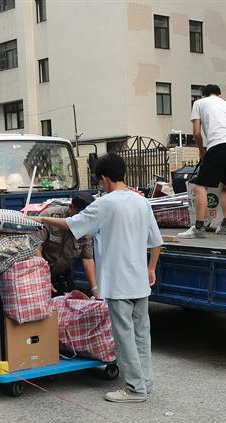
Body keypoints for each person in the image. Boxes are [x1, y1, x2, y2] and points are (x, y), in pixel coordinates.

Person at [36, 153, 163, 403]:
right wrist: (151, 269)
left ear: (104, 178)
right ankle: (145, 382)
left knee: (124, 336)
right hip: (139, 280)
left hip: (118, 282)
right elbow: (156, 241)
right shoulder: (141, 202)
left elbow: (71, 223)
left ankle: (134, 389)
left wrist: (41, 218)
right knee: (141, 334)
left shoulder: (105, 203)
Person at [178, 84, 226, 239]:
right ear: (219, 94)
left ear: (204, 95)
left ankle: (199, 227)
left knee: (200, 187)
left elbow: (196, 132)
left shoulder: (199, 103)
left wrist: (202, 151)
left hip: (219, 145)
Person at [31, 192, 98, 296]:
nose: (81, 221)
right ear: (71, 207)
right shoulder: (49, 216)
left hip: (64, 275)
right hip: (39, 272)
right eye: (79, 216)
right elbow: (35, 248)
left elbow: (87, 258)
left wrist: (94, 289)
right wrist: (44, 277)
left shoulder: (87, 224)